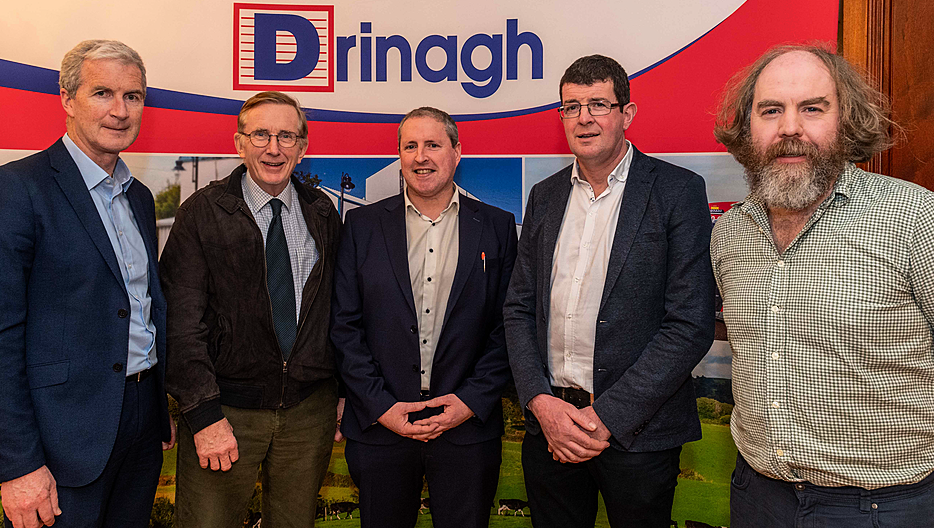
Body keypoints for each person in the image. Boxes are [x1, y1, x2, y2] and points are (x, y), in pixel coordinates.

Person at [712, 44, 934, 527]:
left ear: (846, 120)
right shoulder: (729, 233)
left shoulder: (915, 218)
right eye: (771, 110)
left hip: (884, 508)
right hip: (757, 498)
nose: (790, 127)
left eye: (812, 108)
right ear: (748, 127)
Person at [504, 54, 716, 527]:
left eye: (598, 104)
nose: (583, 118)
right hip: (551, 426)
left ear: (628, 113)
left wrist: (607, 417)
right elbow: (518, 309)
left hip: (638, 433)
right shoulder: (546, 195)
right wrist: (540, 403)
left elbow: (690, 323)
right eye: (570, 106)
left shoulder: (676, 191)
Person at [0, 40, 174, 528]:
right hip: (60, 438)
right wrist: (19, 465)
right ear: (67, 99)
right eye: (102, 94)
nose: (120, 111)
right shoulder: (14, 189)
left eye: (133, 97)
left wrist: (153, 410)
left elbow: (139, 306)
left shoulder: (138, 197)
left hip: (139, 424)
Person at [160, 91, 342, 528]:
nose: (273, 147)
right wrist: (203, 415)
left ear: (303, 146)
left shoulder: (322, 212)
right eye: (260, 134)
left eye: (286, 135)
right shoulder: (201, 213)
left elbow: (339, 313)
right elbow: (180, 322)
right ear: (239, 143)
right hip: (225, 412)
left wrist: (342, 390)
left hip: (307, 414)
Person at [331, 107, 517, 528]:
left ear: (456, 152)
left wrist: (468, 402)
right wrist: (381, 406)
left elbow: (509, 326)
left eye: (433, 144)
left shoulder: (496, 226)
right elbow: (344, 326)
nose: (421, 156)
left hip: (466, 430)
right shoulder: (360, 226)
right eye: (410, 146)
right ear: (398, 156)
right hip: (381, 428)